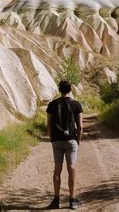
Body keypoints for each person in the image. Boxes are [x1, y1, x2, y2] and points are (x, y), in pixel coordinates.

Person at [46, 80, 83, 210]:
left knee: (57, 169)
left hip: (56, 141)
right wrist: (77, 141)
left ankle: (56, 200)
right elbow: (80, 126)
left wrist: (52, 139)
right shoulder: (76, 104)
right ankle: (72, 200)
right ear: (71, 89)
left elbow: (49, 125)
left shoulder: (52, 105)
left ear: (59, 89)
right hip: (71, 141)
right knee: (71, 168)